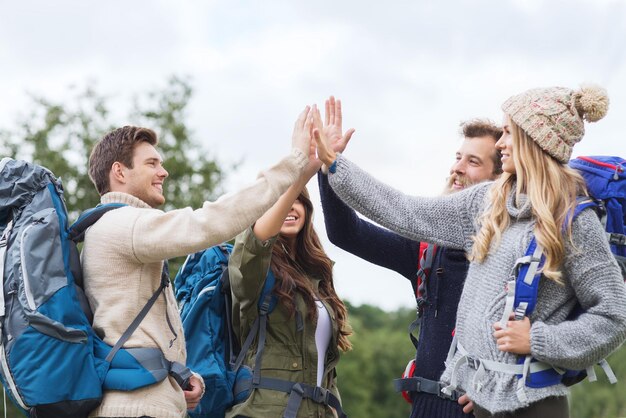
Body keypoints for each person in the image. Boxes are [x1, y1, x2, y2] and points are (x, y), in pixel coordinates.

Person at [314, 86, 626, 417]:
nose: (502, 143)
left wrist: (538, 340)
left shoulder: (574, 221)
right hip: (479, 405)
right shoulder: (487, 203)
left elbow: (613, 316)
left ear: (536, 141)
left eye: (509, 133)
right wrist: (335, 166)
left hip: (535, 405)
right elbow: (405, 211)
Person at [82, 107, 313, 418]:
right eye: (152, 163)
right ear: (119, 172)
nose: (163, 172)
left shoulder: (106, 230)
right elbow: (210, 222)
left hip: (141, 398)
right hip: (136, 407)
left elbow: (134, 331)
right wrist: (294, 163)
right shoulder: (125, 225)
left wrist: (177, 378)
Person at [317, 97, 502, 418]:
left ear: (497, 181)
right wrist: (327, 168)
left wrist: (499, 389)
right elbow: (345, 233)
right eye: (458, 157)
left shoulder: (511, 251)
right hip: (424, 406)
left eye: (473, 162)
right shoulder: (427, 250)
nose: (456, 168)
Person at [227, 148, 351, 417]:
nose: (289, 207)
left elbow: (327, 370)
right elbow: (257, 241)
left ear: (306, 209)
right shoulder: (251, 267)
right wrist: (302, 173)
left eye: (297, 199)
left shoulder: (316, 275)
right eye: (278, 201)